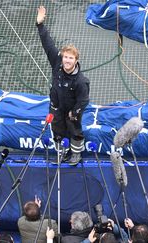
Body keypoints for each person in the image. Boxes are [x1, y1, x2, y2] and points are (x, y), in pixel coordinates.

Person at [36, 6, 90, 165]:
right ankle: (62, 153)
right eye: (65, 57)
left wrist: (74, 112)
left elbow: (84, 100)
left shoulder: (81, 81)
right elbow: (48, 44)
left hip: (72, 109)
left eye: (70, 58)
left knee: (74, 130)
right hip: (56, 106)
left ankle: (75, 154)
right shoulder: (57, 62)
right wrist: (40, 25)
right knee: (57, 130)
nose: (67, 60)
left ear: (76, 61)